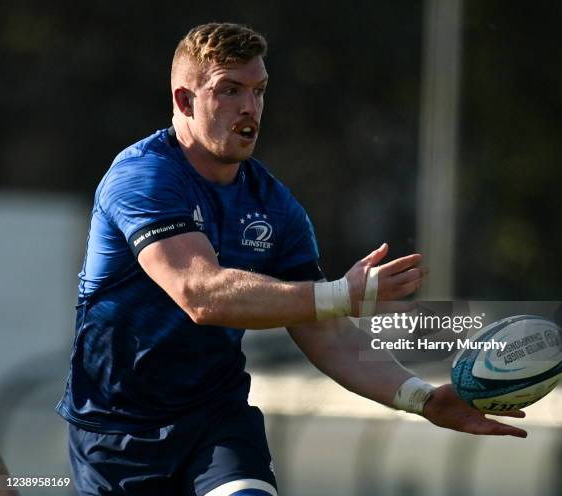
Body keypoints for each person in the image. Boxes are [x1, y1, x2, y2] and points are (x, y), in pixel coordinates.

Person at [56, 22, 527, 496]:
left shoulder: (274, 205)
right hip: (115, 432)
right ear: (184, 101)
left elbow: (325, 330)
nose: (249, 108)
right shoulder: (143, 176)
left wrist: (423, 399)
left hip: (215, 422)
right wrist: (342, 293)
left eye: (258, 91)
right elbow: (199, 293)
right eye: (230, 90)